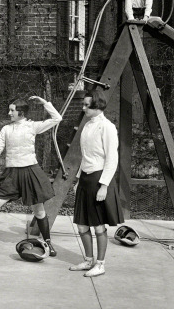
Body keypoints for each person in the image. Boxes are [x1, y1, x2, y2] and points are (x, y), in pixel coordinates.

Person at [0, 96, 61, 256]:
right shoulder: (6, 129)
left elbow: (57, 118)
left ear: (21, 113)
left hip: (30, 172)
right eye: (9, 110)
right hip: (11, 174)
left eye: (12, 110)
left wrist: (44, 102)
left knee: (39, 211)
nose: (9, 113)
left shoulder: (32, 126)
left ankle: (48, 244)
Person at [69, 89, 124, 277]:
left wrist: (104, 185)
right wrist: (77, 179)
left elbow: (112, 158)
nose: (83, 108)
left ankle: (100, 264)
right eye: (83, 104)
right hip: (85, 178)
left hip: (99, 179)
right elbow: (84, 156)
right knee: (82, 225)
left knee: (99, 226)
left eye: (87, 105)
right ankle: (88, 260)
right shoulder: (87, 126)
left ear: (97, 105)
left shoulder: (107, 127)